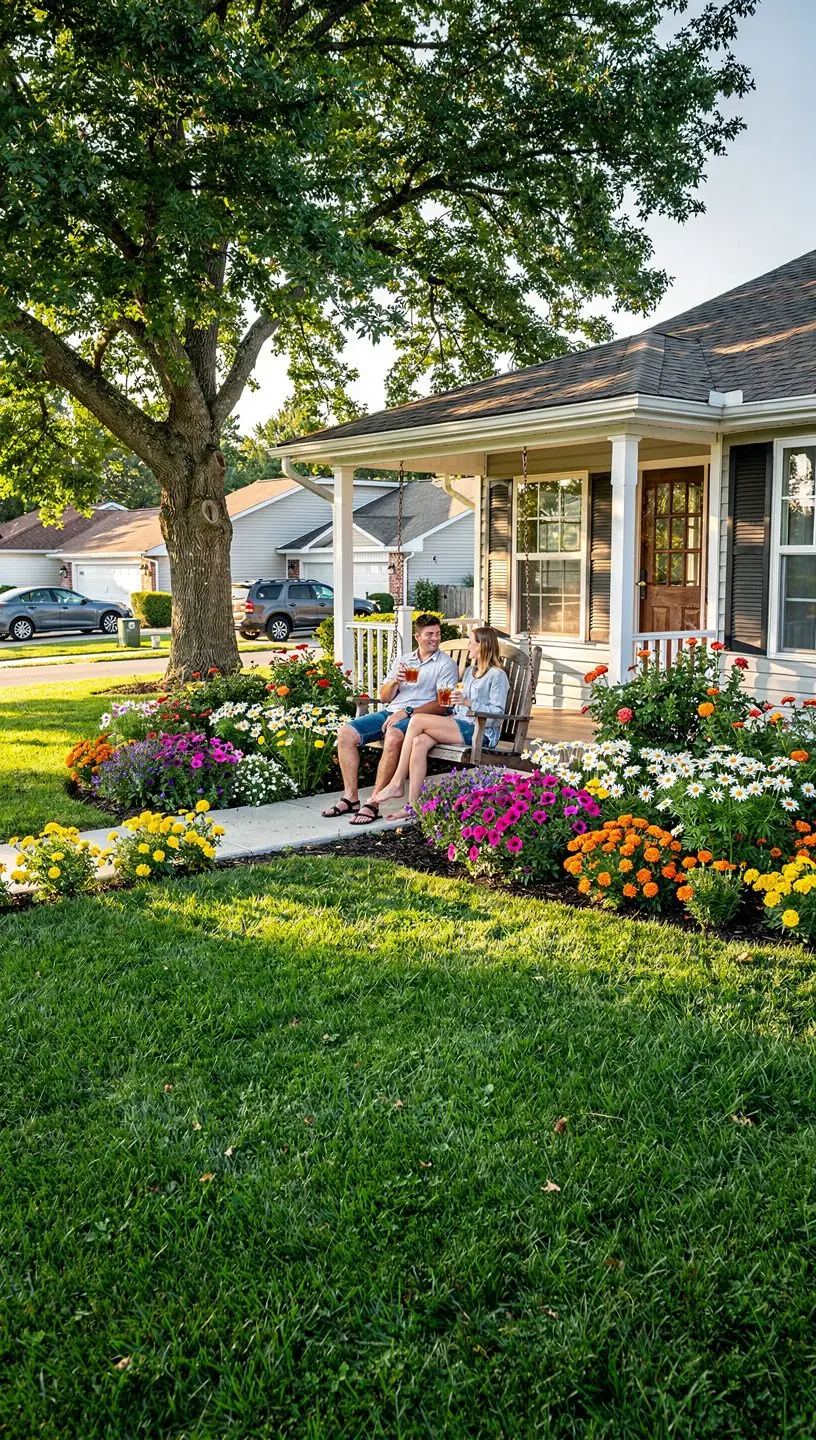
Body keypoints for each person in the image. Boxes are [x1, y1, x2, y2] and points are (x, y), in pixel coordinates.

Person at [322, 613, 460, 826]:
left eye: (437, 633)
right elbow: (385, 697)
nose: (435, 638)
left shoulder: (445, 665)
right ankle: (351, 798)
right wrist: (395, 682)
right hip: (391, 711)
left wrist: (407, 711)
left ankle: (373, 803)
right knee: (345, 733)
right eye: (429, 634)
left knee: (394, 735)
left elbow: (443, 704)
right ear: (417, 637)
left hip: (419, 717)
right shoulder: (404, 661)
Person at [372, 625, 509, 818]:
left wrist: (468, 703)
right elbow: (459, 707)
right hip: (461, 724)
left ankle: (397, 782)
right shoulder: (470, 672)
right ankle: (413, 807)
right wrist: (456, 709)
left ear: (482, 645)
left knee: (417, 720)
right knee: (419, 742)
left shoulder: (497, 675)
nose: (468, 645)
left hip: (481, 732)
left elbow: (497, 715)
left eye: (471, 642)